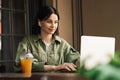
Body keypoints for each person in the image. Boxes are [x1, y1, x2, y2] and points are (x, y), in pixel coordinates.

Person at [14, 5, 80, 72]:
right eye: (49, 21)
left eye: (56, 22)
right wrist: (55, 68)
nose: (53, 25)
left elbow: (75, 59)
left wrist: (81, 62)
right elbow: (20, 64)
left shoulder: (63, 44)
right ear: (39, 22)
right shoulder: (27, 42)